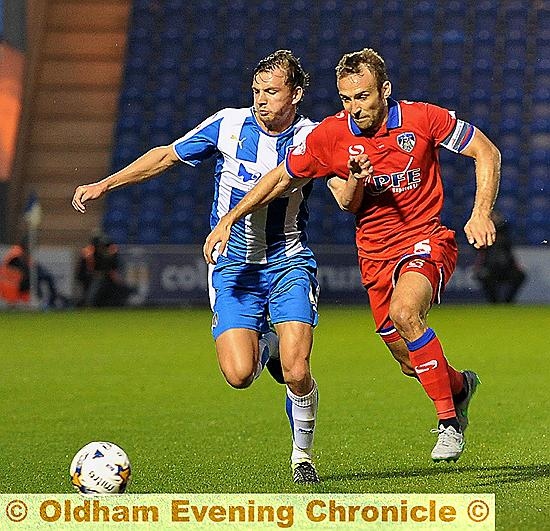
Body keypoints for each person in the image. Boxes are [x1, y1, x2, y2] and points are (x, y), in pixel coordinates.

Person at [204, 48, 501, 463]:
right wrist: (230, 218)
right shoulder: (331, 135)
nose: (354, 107)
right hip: (374, 253)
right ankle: (458, 387)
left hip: (425, 238)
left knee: (405, 312)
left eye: (362, 96)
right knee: (408, 359)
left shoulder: (423, 118)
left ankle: (448, 423)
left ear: (385, 90)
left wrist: (480, 212)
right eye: (346, 98)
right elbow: (288, 180)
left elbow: (486, 151)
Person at [72, 50, 321, 483]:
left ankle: (301, 456)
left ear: (296, 94)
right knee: (239, 375)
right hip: (234, 268)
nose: (261, 100)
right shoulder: (227, 124)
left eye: (272, 91)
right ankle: (268, 345)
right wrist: (105, 183)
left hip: (288, 260)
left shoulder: (314, 137)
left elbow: (342, 187)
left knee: (298, 370)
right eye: (256, 90)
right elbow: (167, 155)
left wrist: (352, 178)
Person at [474, 210, 526, 303]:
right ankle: (494, 301)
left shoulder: (504, 234)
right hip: (490, 267)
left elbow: (509, 253)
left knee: (520, 276)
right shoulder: (484, 234)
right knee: (484, 277)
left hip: (506, 266)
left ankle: (508, 301)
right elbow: (481, 253)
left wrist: (516, 266)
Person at [76, 233, 134, 307]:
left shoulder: (110, 253)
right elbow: (86, 270)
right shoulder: (89, 253)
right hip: (88, 276)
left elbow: (112, 268)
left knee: (117, 286)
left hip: (105, 277)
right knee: (96, 285)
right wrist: (96, 274)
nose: (102, 248)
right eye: (101, 245)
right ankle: (88, 304)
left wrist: (112, 275)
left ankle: (117, 303)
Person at [0, 239, 61, 307]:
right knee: (37, 277)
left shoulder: (23, 254)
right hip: (15, 283)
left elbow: (33, 266)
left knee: (46, 276)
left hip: (22, 280)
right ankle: (41, 299)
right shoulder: (17, 252)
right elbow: (20, 265)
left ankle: (50, 301)